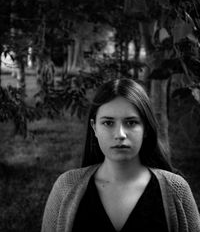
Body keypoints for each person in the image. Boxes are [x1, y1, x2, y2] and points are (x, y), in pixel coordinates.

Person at [41, 78, 200, 232]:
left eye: (131, 122)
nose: (120, 134)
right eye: (108, 123)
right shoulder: (65, 188)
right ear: (94, 127)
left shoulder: (177, 191)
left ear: (145, 128)